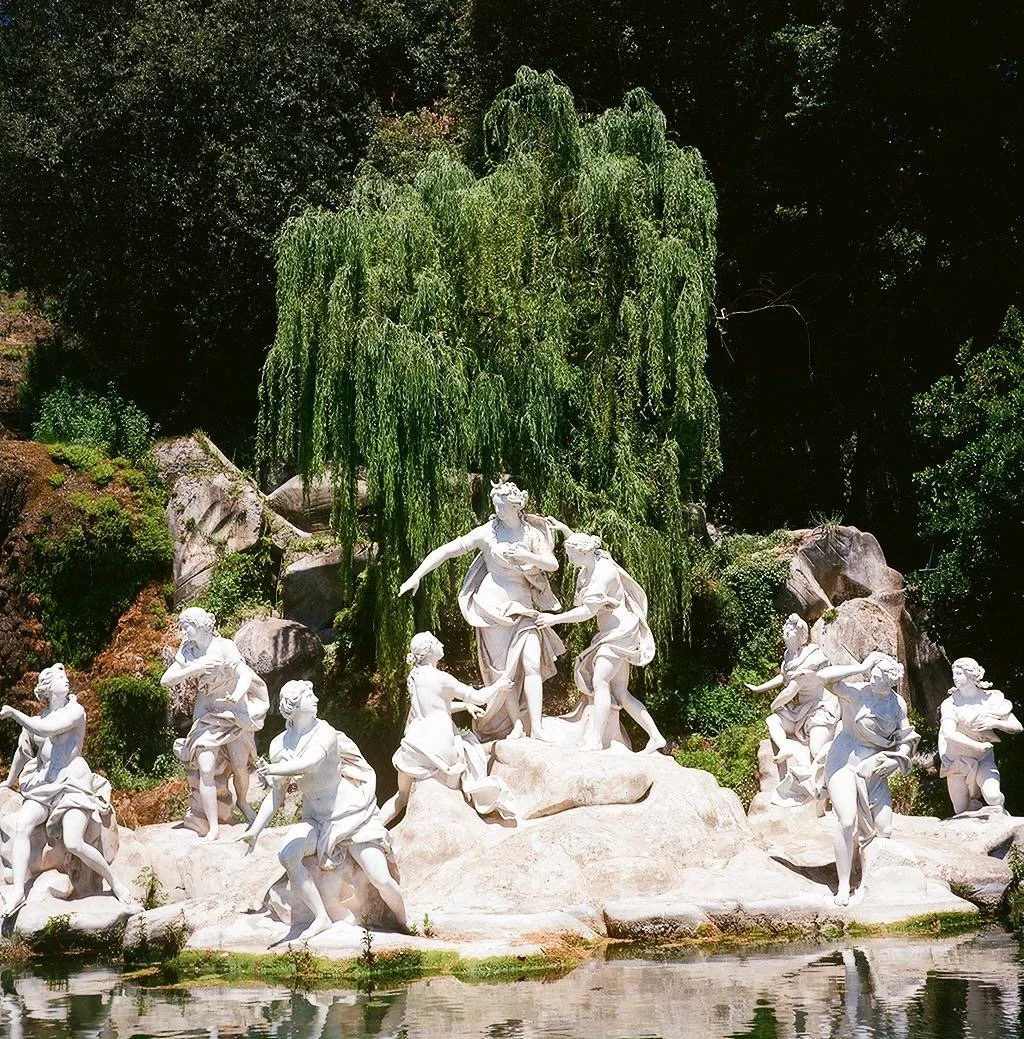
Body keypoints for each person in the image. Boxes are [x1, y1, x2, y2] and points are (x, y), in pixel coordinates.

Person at [240, 680, 407, 940]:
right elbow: (276, 795)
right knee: (289, 855)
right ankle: (321, 917)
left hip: (350, 816)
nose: (316, 699)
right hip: (316, 820)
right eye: (310, 696)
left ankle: (406, 921)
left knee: (381, 878)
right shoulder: (278, 746)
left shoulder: (324, 733)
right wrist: (256, 830)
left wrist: (273, 769)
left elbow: (309, 763)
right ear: (293, 707)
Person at [399, 481, 564, 741]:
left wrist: (528, 557)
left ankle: (538, 727)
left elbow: (552, 563)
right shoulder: (488, 533)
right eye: (495, 505)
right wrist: (417, 575)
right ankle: (516, 724)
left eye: (502, 505)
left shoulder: (531, 533)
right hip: (492, 608)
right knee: (504, 671)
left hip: (524, 607)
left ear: (516, 504)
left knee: (531, 662)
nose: (497, 510)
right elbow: (449, 550)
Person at [0, 664, 137, 916]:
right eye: (60, 679)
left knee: (74, 841)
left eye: (66, 678)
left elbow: (46, 730)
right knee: (23, 825)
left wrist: (14, 713)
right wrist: (10, 781)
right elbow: (23, 752)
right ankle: (18, 891)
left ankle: (115, 882)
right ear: (47, 687)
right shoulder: (38, 718)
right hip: (43, 783)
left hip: (72, 782)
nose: (66, 682)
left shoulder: (75, 711)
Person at [534, 527, 665, 753]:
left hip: (619, 635)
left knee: (600, 682)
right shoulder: (595, 559)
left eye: (570, 554)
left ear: (582, 552)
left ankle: (595, 740)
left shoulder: (601, 576)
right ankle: (655, 736)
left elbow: (586, 612)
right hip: (618, 632)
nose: (568, 558)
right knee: (621, 692)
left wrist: (554, 620)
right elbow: (580, 543)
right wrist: (564, 530)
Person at [380, 632, 516, 826]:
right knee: (470, 745)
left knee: (400, 798)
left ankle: (374, 829)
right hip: (439, 748)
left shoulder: (415, 676)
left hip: (413, 746)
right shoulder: (441, 678)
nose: (442, 643)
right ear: (429, 650)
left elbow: (437, 707)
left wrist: (465, 707)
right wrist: (498, 686)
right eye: (436, 642)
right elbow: (478, 697)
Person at [160, 607, 269, 840]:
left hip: (232, 708)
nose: (182, 631)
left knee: (240, 766)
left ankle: (242, 802)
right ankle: (213, 827)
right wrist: (195, 668)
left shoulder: (224, 646)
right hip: (206, 710)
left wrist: (237, 695)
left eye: (185, 625)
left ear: (200, 625)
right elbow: (166, 680)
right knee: (205, 769)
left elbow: (245, 674)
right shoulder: (188, 651)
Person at [825, 652, 919, 906]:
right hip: (844, 759)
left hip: (874, 767)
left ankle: (866, 879)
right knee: (847, 820)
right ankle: (843, 885)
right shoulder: (856, 692)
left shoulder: (896, 704)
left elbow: (906, 739)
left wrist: (896, 759)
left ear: (890, 681)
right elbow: (824, 678)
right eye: (872, 673)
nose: (873, 678)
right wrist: (861, 665)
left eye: (879, 676)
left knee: (884, 830)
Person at [745, 614, 869, 806]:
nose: (785, 633)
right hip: (801, 709)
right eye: (785, 630)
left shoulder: (812, 657)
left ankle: (829, 780)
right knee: (773, 721)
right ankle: (785, 746)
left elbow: (790, 690)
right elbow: (784, 677)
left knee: (816, 748)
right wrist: (759, 688)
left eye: (790, 631)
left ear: (800, 635)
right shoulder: (789, 655)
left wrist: (773, 705)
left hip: (820, 709)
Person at [938, 657, 1021, 815]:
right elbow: (949, 733)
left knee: (993, 797)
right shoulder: (950, 703)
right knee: (960, 809)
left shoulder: (990, 699)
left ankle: (1002, 817)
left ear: (971, 675)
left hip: (983, 758)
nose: (954, 677)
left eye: (959, 673)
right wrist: (977, 746)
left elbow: (1017, 727)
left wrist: (995, 723)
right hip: (956, 760)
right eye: (953, 673)